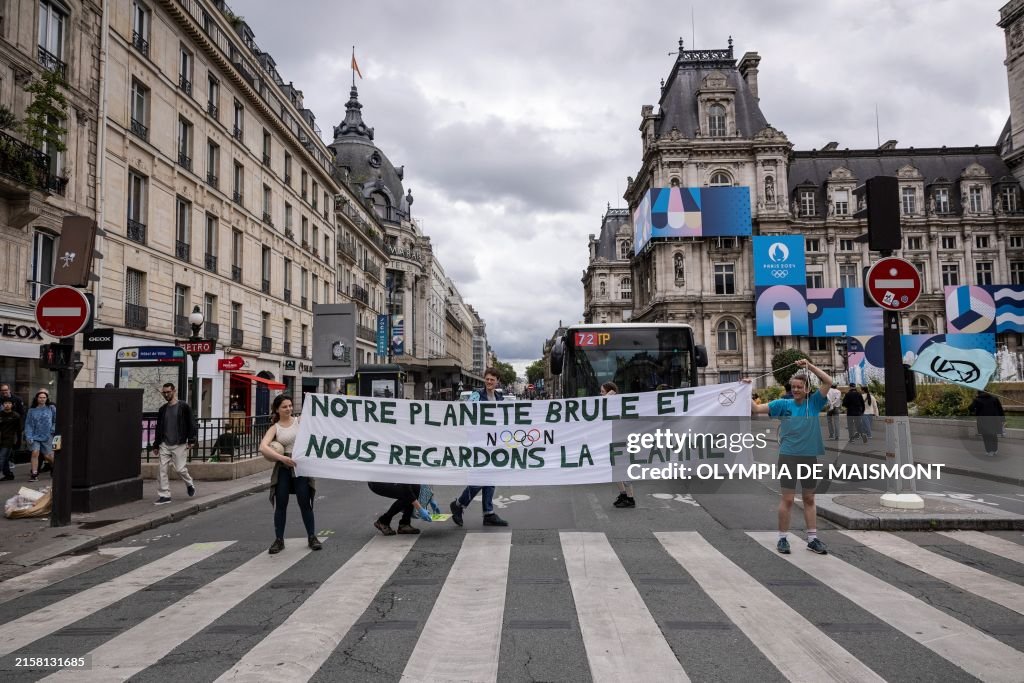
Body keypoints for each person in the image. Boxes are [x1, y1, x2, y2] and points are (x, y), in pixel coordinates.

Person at [747, 359, 831, 555]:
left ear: (807, 389)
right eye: (793, 387)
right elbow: (756, 409)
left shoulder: (815, 402)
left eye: (799, 387)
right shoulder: (783, 404)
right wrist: (747, 390)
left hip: (809, 457)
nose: (795, 390)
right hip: (788, 457)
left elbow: (827, 381)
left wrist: (810, 366)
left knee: (809, 498)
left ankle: (812, 539)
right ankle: (783, 539)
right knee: (788, 499)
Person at [259, 394, 321, 553]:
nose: (289, 409)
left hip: (300, 467)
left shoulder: (300, 421)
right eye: (284, 406)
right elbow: (263, 447)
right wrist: (282, 458)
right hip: (284, 467)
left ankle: (312, 536)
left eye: (290, 406)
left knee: (304, 502)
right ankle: (279, 540)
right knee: (281, 503)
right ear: (277, 409)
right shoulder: (275, 428)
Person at [449, 367, 509, 527]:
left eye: (492, 379)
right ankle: (459, 504)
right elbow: (469, 415)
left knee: (490, 478)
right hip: (478, 442)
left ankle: (488, 513)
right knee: (480, 477)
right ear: (484, 379)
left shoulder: (499, 397)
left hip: (493, 442)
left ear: (497, 382)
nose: (489, 382)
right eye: (487, 379)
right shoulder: (477, 396)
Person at [148, 383, 197, 505]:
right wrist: (156, 444)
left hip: (179, 443)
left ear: (174, 391)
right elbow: (159, 427)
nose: (166, 394)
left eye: (168, 392)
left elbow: (191, 423)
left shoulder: (184, 407)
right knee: (161, 470)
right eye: (164, 392)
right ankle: (165, 495)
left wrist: (191, 440)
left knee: (180, 469)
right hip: (164, 443)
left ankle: (189, 483)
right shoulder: (162, 409)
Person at [602, 382, 636, 508]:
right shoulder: (609, 404)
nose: (600, 395)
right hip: (612, 441)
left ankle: (630, 498)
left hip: (621, 442)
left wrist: (609, 397)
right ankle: (623, 494)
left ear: (611, 393)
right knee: (615, 470)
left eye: (603, 392)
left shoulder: (617, 404)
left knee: (623, 469)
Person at [369, 482, 434, 535]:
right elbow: (406, 489)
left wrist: (431, 499)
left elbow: (420, 481)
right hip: (377, 483)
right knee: (407, 494)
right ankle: (383, 521)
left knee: (416, 487)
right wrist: (420, 509)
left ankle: (405, 524)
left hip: (392, 480)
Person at [25, 390, 56, 483]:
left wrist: (53, 429)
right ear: (37, 398)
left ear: (47, 399)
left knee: (48, 456)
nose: (42, 399)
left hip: (47, 435)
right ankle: (34, 474)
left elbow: (56, 420)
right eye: (40, 397)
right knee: (35, 453)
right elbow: (28, 424)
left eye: (44, 397)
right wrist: (28, 436)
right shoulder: (31, 410)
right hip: (34, 435)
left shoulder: (51, 408)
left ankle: (55, 467)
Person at [969, 390, 1005, 457]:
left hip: (983, 420)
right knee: (993, 435)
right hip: (994, 420)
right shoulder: (994, 398)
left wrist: (975, 409)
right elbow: (1000, 409)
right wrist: (1002, 420)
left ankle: (989, 451)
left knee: (986, 436)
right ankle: (995, 450)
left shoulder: (977, 400)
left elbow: (970, 408)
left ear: (979, 393)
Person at [0, 397, 22, 480]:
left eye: (9, 403)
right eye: (5, 403)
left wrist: (18, 441)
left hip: (9, 439)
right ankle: (8, 474)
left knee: (1, 457)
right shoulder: (0, 414)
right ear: (2, 405)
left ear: (12, 405)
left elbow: (19, 430)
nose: (7, 405)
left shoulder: (15, 415)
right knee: (5, 458)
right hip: (0, 438)